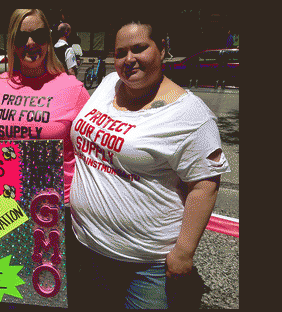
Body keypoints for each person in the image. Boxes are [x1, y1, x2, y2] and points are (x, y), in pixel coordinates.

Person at [69, 17, 231, 309]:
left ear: (163, 49)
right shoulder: (108, 84)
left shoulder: (192, 115)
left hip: (146, 266)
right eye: (120, 53)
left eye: (139, 48)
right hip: (88, 248)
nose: (128, 60)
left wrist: (184, 251)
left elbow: (205, 185)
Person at [0, 9, 90, 308]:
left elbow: (90, 152)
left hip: (56, 212)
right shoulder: (0, 83)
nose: (31, 43)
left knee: (52, 293)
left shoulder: (72, 88)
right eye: (22, 37)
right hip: (10, 205)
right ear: (12, 42)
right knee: (14, 290)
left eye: (39, 35)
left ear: (50, 39)